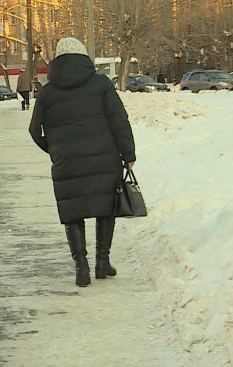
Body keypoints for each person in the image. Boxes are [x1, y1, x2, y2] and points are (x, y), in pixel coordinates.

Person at [28, 37, 136, 287]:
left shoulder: (48, 92)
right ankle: (102, 262)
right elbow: (119, 120)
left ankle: (81, 267)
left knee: (72, 212)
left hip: (67, 163)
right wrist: (128, 154)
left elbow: (34, 130)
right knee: (106, 207)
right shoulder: (101, 84)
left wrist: (55, 150)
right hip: (104, 158)